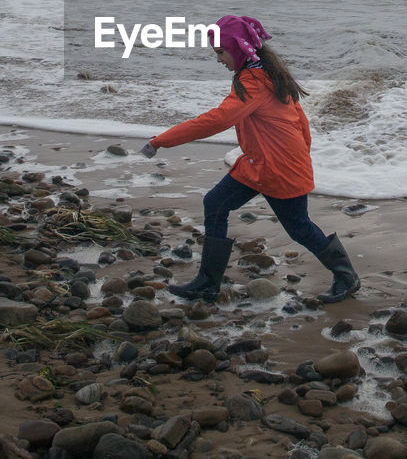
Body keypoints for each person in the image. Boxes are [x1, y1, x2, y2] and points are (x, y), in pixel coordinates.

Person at [139, 15, 360, 304]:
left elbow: (216, 120)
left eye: (220, 52)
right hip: (261, 164)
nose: (218, 59)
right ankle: (207, 284)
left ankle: (347, 277)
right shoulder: (263, 71)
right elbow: (300, 121)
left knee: (299, 228)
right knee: (215, 204)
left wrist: (161, 140)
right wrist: (300, 153)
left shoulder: (254, 81)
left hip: (277, 169)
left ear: (239, 48)